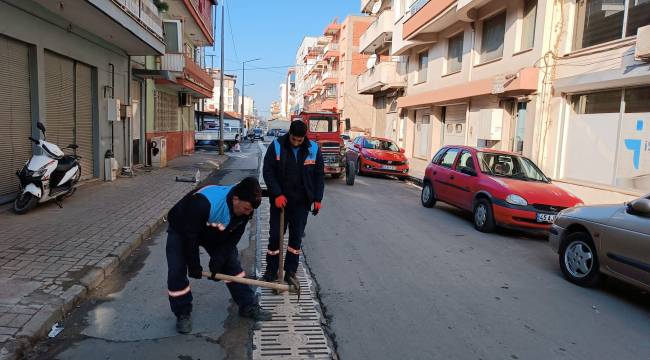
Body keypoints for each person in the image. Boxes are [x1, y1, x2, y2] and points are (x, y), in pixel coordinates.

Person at [166, 177, 272, 334]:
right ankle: (182, 312)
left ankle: (248, 305)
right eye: (247, 209)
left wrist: (218, 261)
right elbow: (191, 237)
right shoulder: (204, 202)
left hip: (212, 231)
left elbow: (232, 240)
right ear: (236, 199)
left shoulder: (244, 209)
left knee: (232, 266)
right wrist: (194, 265)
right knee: (176, 270)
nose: (248, 213)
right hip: (182, 228)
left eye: (251, 210)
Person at [262, 120, 325, 285]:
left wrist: (318, 198)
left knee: (295, 239)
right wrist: (276, 194)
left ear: (305, 137)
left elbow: (319, 175)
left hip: (301, 202)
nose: (296, 143)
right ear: (289, 134)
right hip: (280, 201)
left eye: (300, 140)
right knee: (275, 237)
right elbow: (268, 172)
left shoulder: (313, 148)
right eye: (294, 139)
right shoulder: (276, 146)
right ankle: (271, 270)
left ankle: (290, 272)